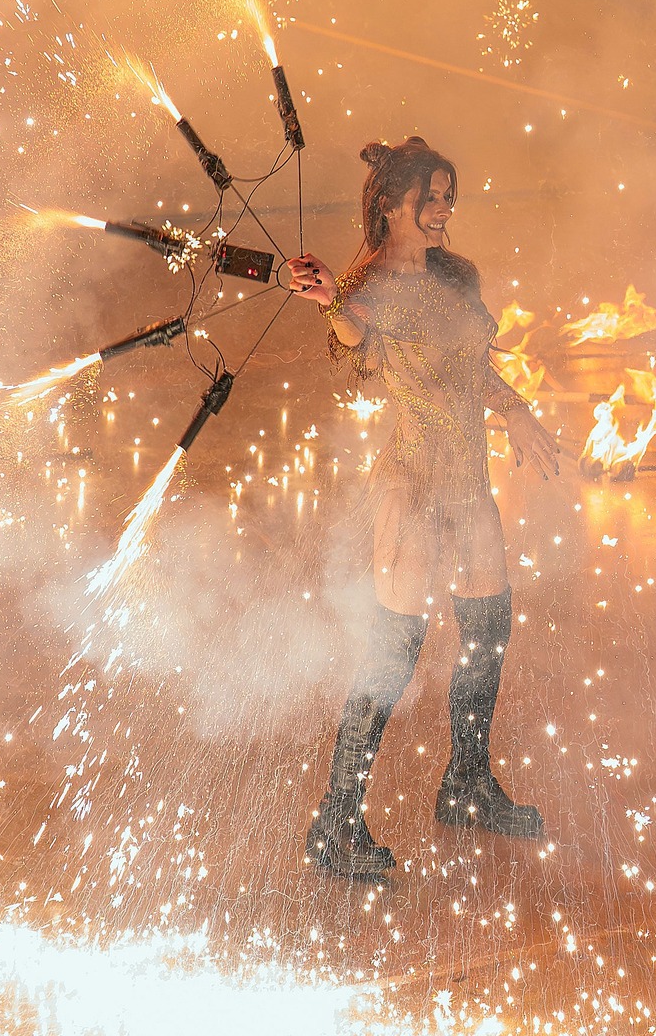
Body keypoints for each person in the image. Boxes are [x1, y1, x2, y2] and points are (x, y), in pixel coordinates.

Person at [285, 137, 563, 880]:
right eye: (429, 198)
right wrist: (331, 301)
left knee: (488, 625)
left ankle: (467, 784)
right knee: (394, 651)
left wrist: (516, 410)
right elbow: (353, 334)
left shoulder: (454, 276)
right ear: (390, 206)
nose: (443, 210)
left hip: (469, 482)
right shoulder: (369, 289)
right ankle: (336, 822)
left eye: (448, 197)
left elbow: (473, 366)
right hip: (412, 487)